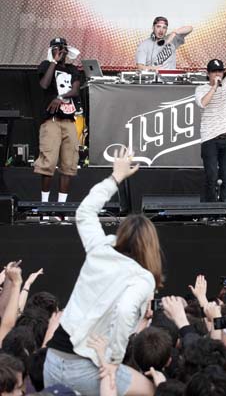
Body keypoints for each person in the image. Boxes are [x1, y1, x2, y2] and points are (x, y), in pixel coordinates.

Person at [43, 148, 163, 396]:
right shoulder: (143, 277)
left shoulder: (100, 248)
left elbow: (84, 212)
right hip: (87, 367)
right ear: (152, 246)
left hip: (52, 360)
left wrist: (115, 177)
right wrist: (114, 360)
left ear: (122, 234)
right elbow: (125, 310)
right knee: (151, 389)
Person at [194, 30, 226, 202]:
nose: (218, 74)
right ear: (208, 73)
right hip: (210, 138)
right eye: (214, 72)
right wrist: (214, 87)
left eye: (220, 71)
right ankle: (211, 211)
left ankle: (223, 211)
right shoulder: (201, 88)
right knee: (212, 177)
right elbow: (203, 103)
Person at [34, 37, 81, 203]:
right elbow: (44, 85)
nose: (60, 51)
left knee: (68, 166)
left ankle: (62, 209)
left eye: (62, 49)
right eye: (56, 48)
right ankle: (45, 207)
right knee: (48, 163)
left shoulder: (72, 69)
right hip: (52, 121)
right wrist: (53, 61)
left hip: (69, 120)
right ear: (51, 50)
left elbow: (75, 90)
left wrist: (60, 97)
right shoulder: (46, 66)